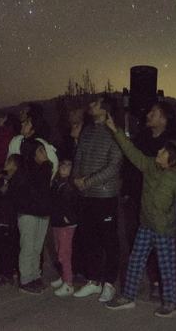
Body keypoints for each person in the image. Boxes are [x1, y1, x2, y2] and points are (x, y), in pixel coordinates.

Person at [103, 112, 176, 318]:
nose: (158, 150)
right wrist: (115, 130)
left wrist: (172, 221)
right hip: (146, 224)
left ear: (172, 159)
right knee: (135, 260)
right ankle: (128, 296)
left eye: (163, 151)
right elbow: (131, 152)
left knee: (166, 266)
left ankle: (171, 303)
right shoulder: (150, 166)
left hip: (163, 229)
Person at [120, 101, 176, 301]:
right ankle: (130, 294)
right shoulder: (142, 138)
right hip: (136, 198)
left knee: (163, 255)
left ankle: (161, 288)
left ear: (163, 118)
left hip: (159, 209)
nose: (148, 114)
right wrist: (127, 190)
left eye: (153, 112)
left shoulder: (173, 144)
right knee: (135, 246)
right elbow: (131, 160)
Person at [71, 95, 123, 303]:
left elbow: (113, 166)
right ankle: (93, 280)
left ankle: (109, 283)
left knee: (109, 241)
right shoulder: (87, 131)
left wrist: (88, 181)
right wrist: (76, 179)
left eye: (95, 103)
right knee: (88, 238)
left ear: (105, 108)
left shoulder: (114, 133)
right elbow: (79, 156)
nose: (90, 106)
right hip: (86, 196)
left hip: (105, 195)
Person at [15, 140, 54, 295]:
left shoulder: (46, 168)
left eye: (44, 150)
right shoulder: (24, 171)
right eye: (40, 151)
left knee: (37, 248)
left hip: (42, 213)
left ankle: (35, 276)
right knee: (27, 247)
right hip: (28, 213)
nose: (44, 153)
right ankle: (25, 279)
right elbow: (21, 194)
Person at [0, 154, 23, 290]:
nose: (5, 163)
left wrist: (3, 192)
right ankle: (1, 272)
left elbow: (13, 199)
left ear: (16, 166)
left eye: (9, 161)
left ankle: (8, 276)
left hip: (8, 220)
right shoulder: (2, 177)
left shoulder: (17, 180)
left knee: (7, 249)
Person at [48, 158, 78, 296]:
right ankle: (63, 276)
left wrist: (68, 217)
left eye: (68, 165)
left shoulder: (71, 186)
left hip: (66, 225)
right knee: (58, 250)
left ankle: (68, 283)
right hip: (57, 223)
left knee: (64, 254)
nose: (64, 167)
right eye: (62, 164)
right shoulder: (57, 183)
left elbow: (72, 205)